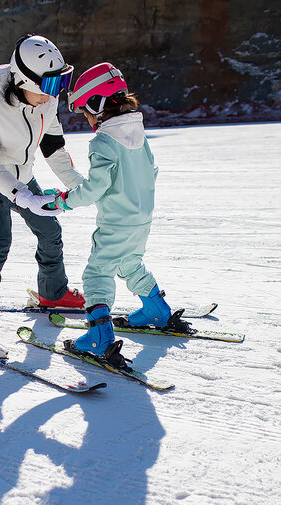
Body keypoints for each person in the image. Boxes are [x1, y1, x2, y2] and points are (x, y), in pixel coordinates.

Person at [47, 62, 185, 364]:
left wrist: (63, 201)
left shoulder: (104, 141)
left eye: (84, 110)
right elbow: (150, 173)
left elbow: (96, 188)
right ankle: (156, 310)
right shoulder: (139, 134)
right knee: (130, 263)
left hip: (115, 224)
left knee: (97, 273)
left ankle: (98, 337)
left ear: (96, 104)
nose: (85, 118)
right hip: (141, 219)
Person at [0, 34, 86, 357]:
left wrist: (81, 186)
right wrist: (23, 196)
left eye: (58, 87)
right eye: (47, 89)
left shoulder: (46, 96)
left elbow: (53, 147)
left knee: (49, 229)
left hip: (21, 172)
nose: (52, 97)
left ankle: (53, 293)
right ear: (24, 80)